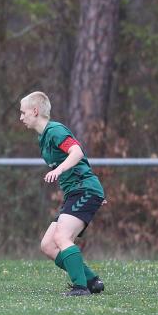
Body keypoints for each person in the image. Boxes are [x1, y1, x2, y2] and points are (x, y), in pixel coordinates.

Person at [19, 91, 105, 296]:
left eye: (23, 113)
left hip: (83, 190)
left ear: (35, 111)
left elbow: (77, 153)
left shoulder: (55, 131)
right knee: (48, 245)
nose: (21, 117)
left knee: (62, 236)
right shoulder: (44, 137)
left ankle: (80, 287)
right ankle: (92, 281)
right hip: (79, 192)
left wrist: (59, 171)